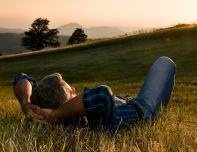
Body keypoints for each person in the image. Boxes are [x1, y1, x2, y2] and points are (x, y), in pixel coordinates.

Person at [13, 56, 176, 133]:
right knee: (165, 63)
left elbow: (21, 77)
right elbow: (102, 94)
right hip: (143, 109)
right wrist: (55, 116)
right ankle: (158, 112)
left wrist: (25, 102)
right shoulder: (88, 120)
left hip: (125, 101)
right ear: (64, 106)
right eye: (72, 92)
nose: (75, 91)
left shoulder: (43, 101)